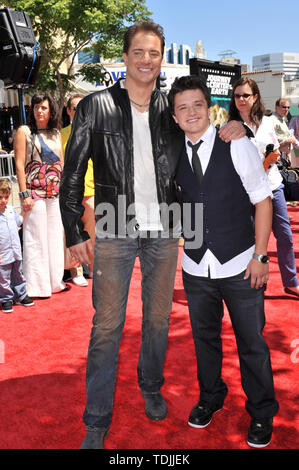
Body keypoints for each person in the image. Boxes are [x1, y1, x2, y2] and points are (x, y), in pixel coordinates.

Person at [59, 21, 246, 449]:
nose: (146, 60)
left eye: (154, 53)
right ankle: (97, 417)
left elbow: (206, 134)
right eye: (138, 52)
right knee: (107, 324)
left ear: (162, 59)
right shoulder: (95, 107)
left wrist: (238, 128)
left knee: (159, 318)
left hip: (165, 226)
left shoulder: (171, 106)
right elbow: (71, 176)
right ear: (125, 58)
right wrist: (73, 231)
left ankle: (150, 385)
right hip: (114, 221)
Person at [169, 75, 279, 448]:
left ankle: (262, 413)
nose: (191, 113)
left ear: (209, 107)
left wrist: (262, 255)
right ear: (174, 116)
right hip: (196, 267)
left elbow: (262, 199)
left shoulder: (235, 143)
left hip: (240, 263)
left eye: (197, 105)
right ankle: (211, 396)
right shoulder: (171, 152)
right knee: (204, 340)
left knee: (252, 343)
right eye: (182, 107)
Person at [229, 77, 299, 298]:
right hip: (245, 192)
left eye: (246, 95)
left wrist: (268, 161)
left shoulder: (268, 122)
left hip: (272, 187)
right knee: (250, 241)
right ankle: (253, 282)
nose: (241, 99)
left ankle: (291, 281)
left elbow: (277, 150)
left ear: (255, 97)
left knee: (285, 236)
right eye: (237, 95)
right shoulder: (230, 126)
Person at [14, 92, 67, 298]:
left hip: (55, 194)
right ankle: (37, 286)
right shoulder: (24, 131)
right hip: (33, 194)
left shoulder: (55, 132)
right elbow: (19, 164)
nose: (39, 111)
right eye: (36, 107)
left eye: (43, 107)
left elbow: (60, 163)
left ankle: (55, 281)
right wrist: (24, 193)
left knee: (54, 237)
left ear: (51, 110)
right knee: (35, 239)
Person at [61, 94, 92, 287]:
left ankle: (90, 265)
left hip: (90, 187)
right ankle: (76, 269)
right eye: (74, 107)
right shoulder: (61, 134)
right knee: (71, 229)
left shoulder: (94, 131)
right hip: (69, 190)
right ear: (68, 111)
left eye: (81, 107)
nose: (77, 110)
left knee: (91, 230)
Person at [0, 179, 34, 313]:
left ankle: (21, 294)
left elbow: (19, 222)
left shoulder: (11, 210)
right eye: (0, 197)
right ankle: (6, 298)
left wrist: (25, 212)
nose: (3, 200)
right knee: (3, 277)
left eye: (6, 197)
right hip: (3, 254)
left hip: (15, 251)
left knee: (18, 274)